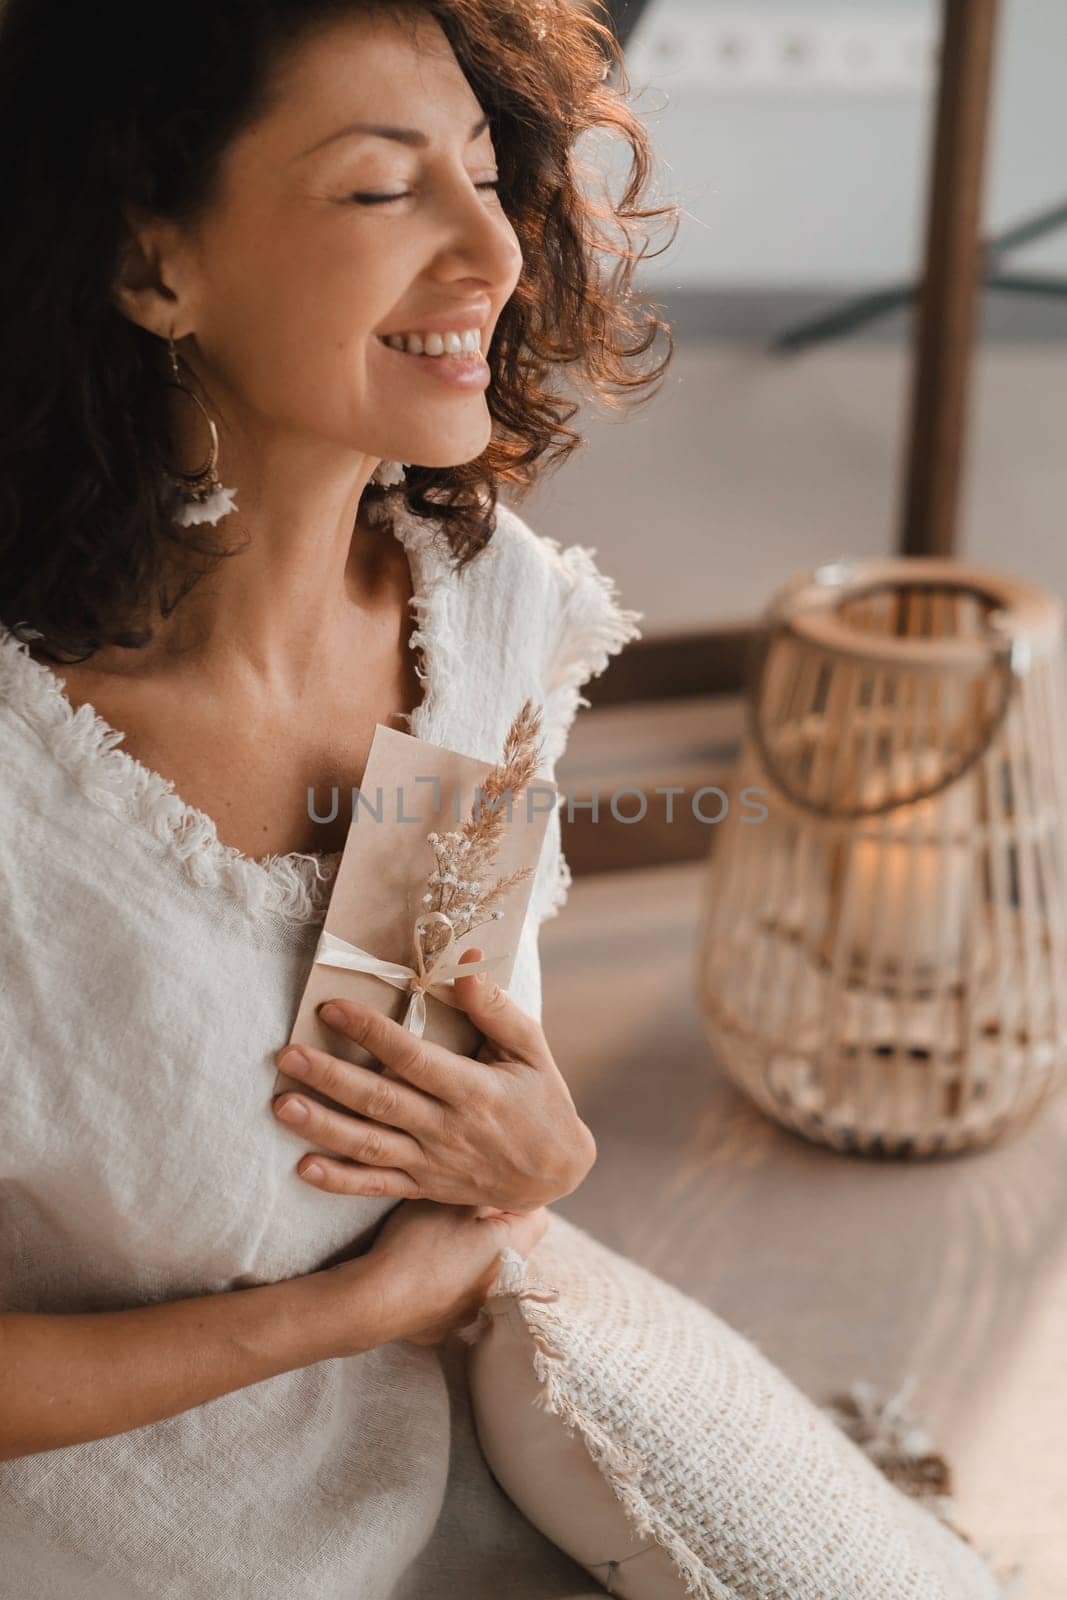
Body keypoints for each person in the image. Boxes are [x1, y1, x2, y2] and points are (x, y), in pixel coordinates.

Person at [0, 2, 674, 1596]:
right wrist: (337, 1319)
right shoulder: (29, 798)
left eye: (486, 169)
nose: (488, 251)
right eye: (383, 191)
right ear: (151, 266)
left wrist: (532, 1150)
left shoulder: (480, 614)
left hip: (428, 1484)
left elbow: (419, 1050)